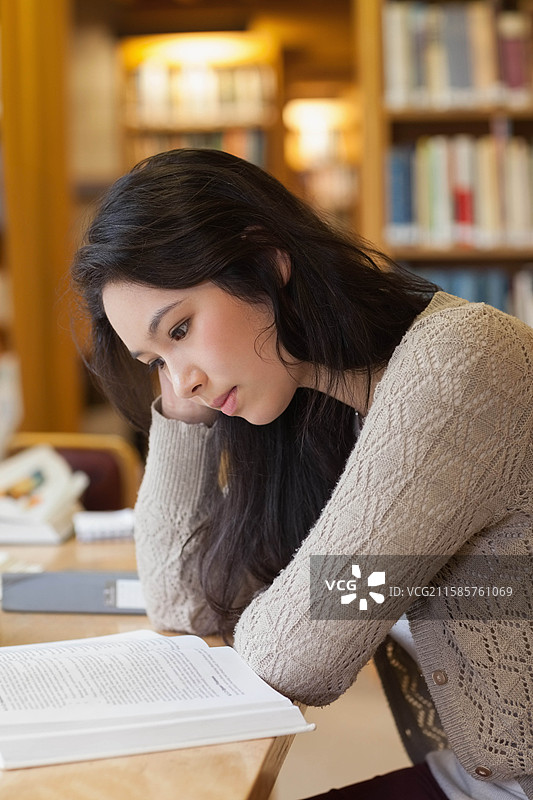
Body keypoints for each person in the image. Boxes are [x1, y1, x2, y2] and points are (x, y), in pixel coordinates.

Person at [71, 148, 533, 800]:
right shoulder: (315, 404)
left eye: (180, 329)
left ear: (266, 259)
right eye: (154, 362)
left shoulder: (458, 369)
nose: (182, 381)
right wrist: (183, 410)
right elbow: (182, 600)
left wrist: (292, 608)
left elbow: (295, 655)